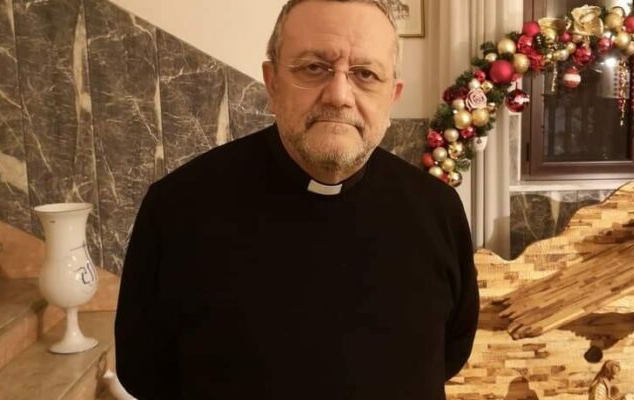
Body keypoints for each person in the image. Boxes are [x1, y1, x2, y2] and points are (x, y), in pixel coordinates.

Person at [114, 1, 480, 398]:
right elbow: (144, 372)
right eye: (313, 68)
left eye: (365, 74)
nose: (339, 95)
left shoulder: (437, 210)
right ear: (272, 83)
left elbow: (450, 351)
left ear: (392, 96)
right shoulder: (177, 209)